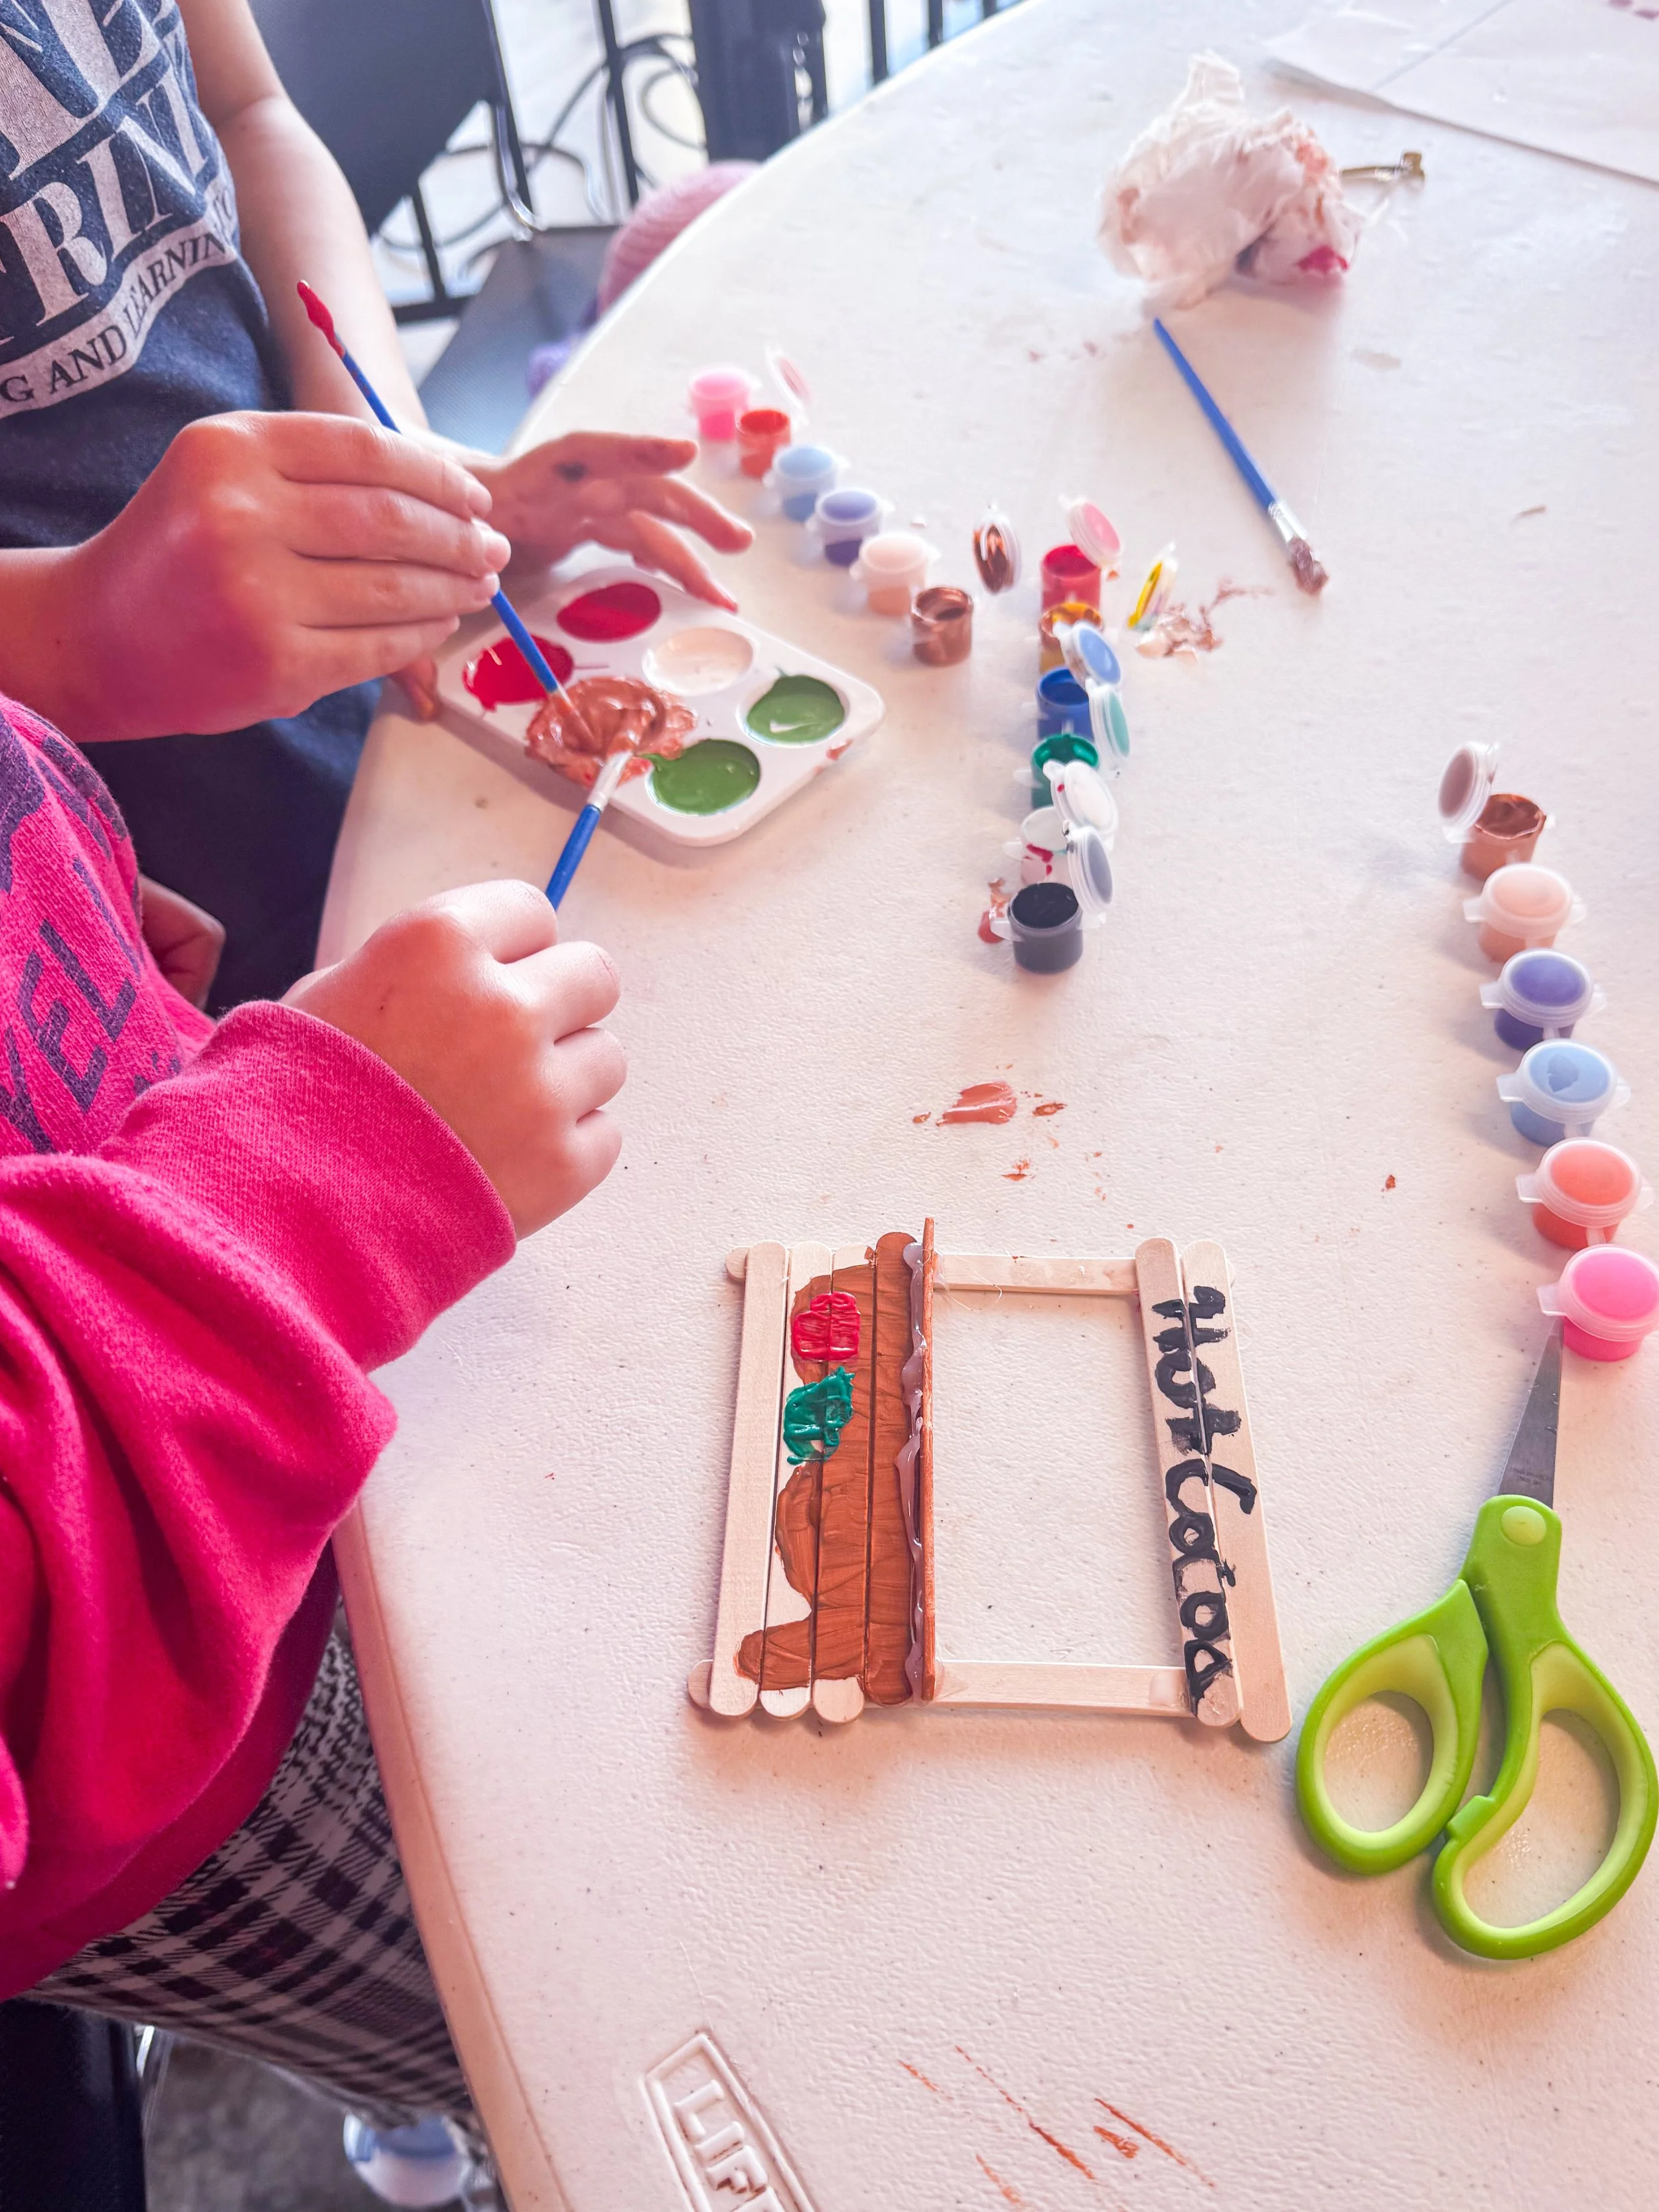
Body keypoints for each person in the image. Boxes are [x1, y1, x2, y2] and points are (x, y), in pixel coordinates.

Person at [0, 672, 616, 2196]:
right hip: (191, 1739)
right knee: (546, 2025)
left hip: (263, 1347)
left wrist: (45, 842)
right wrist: (311, 1188)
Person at [0, 0, 751, 1007]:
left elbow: (246, 108)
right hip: (131, 895)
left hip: (374, 705)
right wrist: (79, 633)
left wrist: (385, 464)